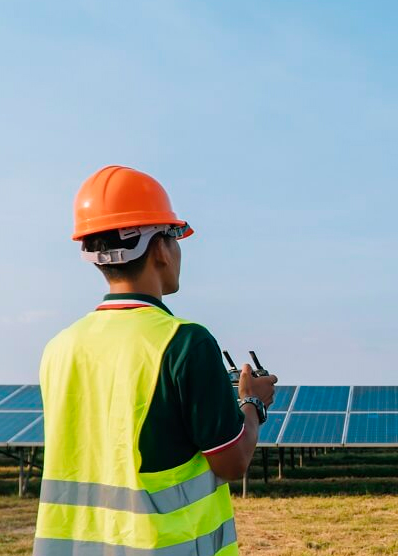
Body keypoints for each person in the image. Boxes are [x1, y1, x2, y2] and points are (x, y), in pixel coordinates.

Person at [33, 165, 277, 556]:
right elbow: (232, 462)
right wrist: (252, 402)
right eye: (176, 237)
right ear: (160, 248)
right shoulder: (184, 343)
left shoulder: (59, 348)